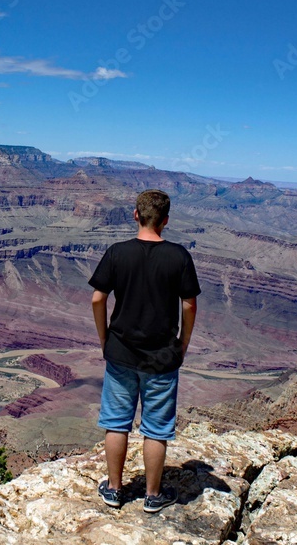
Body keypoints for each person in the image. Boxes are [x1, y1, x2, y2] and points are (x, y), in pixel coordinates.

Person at [88, 189, 200, 513]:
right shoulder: (179, 257)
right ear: (165, 221)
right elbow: (189, 304)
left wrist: (104, 338)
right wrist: (184, 343)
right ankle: (152, 496)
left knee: (116, 422)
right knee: (156, 429)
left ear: (135, 215)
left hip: (121, 352)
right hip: (163, 357)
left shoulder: (117, 253)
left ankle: (113, 490)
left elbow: (97, 299)